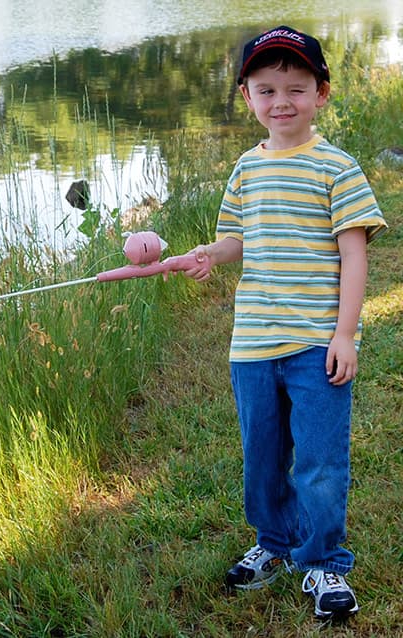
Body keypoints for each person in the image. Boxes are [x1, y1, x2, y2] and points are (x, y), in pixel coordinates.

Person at [181, 25, 388, 620]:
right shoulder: (246, 169)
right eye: (266, 90)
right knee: (263, 453)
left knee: (320, 458)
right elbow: (235, 238)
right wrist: (210, 255)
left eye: (295, 88)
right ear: (247, 98)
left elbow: (354, 253)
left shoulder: (338, 168)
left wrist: (345, 334)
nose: (281, 102)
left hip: (315, 341)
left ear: (321, 93)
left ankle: (323, 561)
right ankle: (273, 543)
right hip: (252, 343)